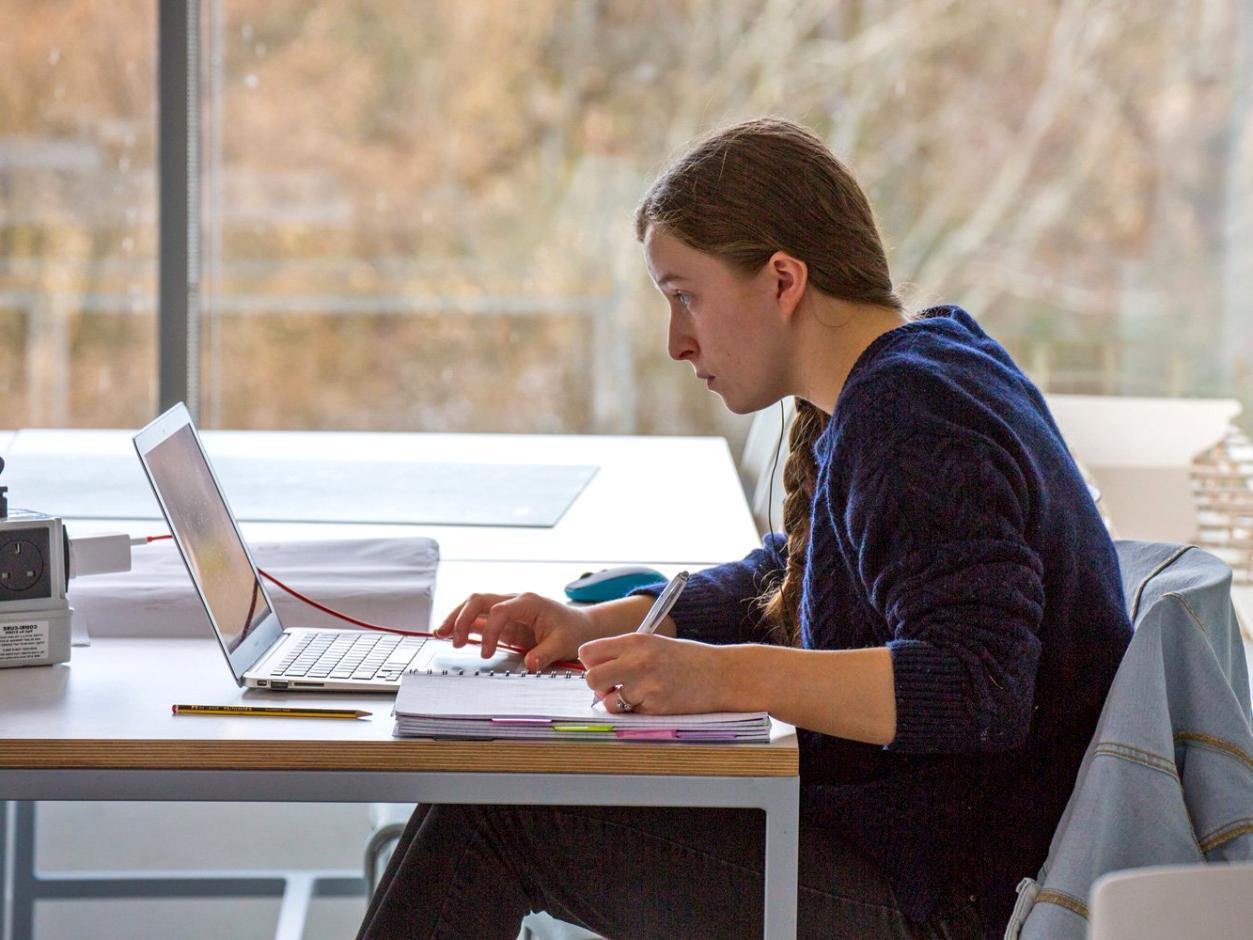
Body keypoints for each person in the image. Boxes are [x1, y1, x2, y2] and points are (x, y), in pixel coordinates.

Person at [357, 118, 1132, 940]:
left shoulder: (910, 416)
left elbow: (978, 690)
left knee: (494, 817)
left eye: (683, 295)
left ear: (782, 279)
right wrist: (593, 624)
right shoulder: (919, 368)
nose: (674, 342)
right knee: (493, 803)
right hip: (913, 861)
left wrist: (725, 678)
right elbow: (787, 573)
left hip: (938, 904)